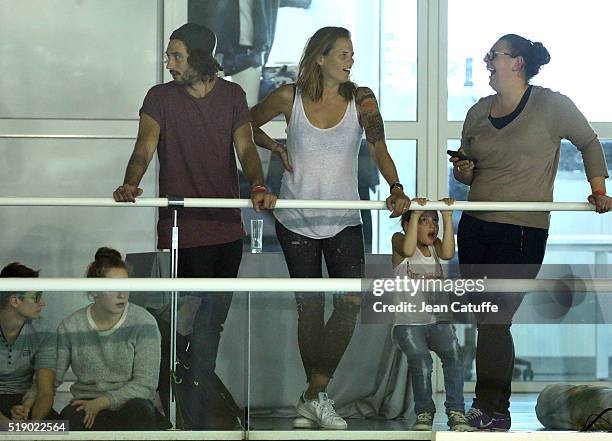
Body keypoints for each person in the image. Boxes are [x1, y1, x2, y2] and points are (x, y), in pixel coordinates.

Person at [112, 23, 276, 427]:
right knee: (184, 325)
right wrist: (130, 182)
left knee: (212, 323)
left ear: (200, 59)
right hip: (182, 231)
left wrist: (258, 183)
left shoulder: (233, 95)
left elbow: (245, 149)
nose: (168, 64)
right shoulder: (159, 98)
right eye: (168, 56)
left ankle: (199, 406)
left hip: (226, 230)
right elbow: (144, 147)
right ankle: (187, 408)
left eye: (176, 56)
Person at [250, 26, 411, 430]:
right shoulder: (290, 96)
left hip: (343, 219)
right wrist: (274, 146)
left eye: (351, 55)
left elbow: (379, 147)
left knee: (351, 303)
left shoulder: (362, 99)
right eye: (342, 54)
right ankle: (317, 400)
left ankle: (312, 395)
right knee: (309, 308)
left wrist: (396, 187)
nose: (349, 61)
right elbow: (246, 124)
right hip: (296, 220)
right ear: (319, 58)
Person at [451, 34, 611, 431]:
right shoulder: (477, 112)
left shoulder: (551, 104)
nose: (488, 62)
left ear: (517, 62)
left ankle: (490, 409)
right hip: (475, 227)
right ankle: (490, 408)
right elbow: (465, 168)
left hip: (522, 230)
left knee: (495, 318)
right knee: (485, 318)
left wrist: (598, 190)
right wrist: (463, 170)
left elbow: (590, 143)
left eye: (494, 56)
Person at [56, 248, 163, 431]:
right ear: (94, 291)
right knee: (70, 418)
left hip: (132, 403)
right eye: (113, 287)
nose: (122, 294)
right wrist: (30, 401)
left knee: (140, 412)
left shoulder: (144, 322)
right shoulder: (71, 325)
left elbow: (146, 385)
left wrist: (102, 403)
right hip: (86, 402)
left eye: (126, 285)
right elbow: (50, 377)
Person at [391, 197, 471, 432]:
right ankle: (424, 412)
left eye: (433, 221)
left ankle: (456, 411)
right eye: (424, 221)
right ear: (407, 225)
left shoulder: (434, 246)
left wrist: (447, 216)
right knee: (422, 362)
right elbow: (407, 249)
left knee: (454, 358)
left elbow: (447, 253)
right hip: (409, 323)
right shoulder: (399, 241)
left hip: (438, 320)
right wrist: (415, 213)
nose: (431, 226)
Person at [0, 263, 57, 421]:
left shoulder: (43, 330)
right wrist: (8, 427)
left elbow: (46, 391)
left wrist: (31, 427)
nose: (42, 303)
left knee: (60, 429)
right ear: (15, 301)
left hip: (25, 402)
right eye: (36, 297)